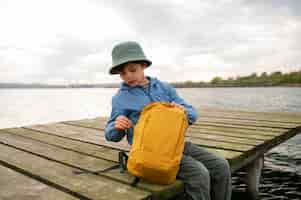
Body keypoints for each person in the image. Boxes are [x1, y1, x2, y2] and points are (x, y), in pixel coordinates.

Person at [104, 41, 232, 200]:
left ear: (143, 66)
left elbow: (192, 114)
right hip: (150, 153)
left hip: (178, 145)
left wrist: (183, 112)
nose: (128, 76)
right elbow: (110, 135)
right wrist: (117, 126)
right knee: (199, 173)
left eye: (132, 70)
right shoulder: (120, 98)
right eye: (123, 73)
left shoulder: (165, 88)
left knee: (221, 165)